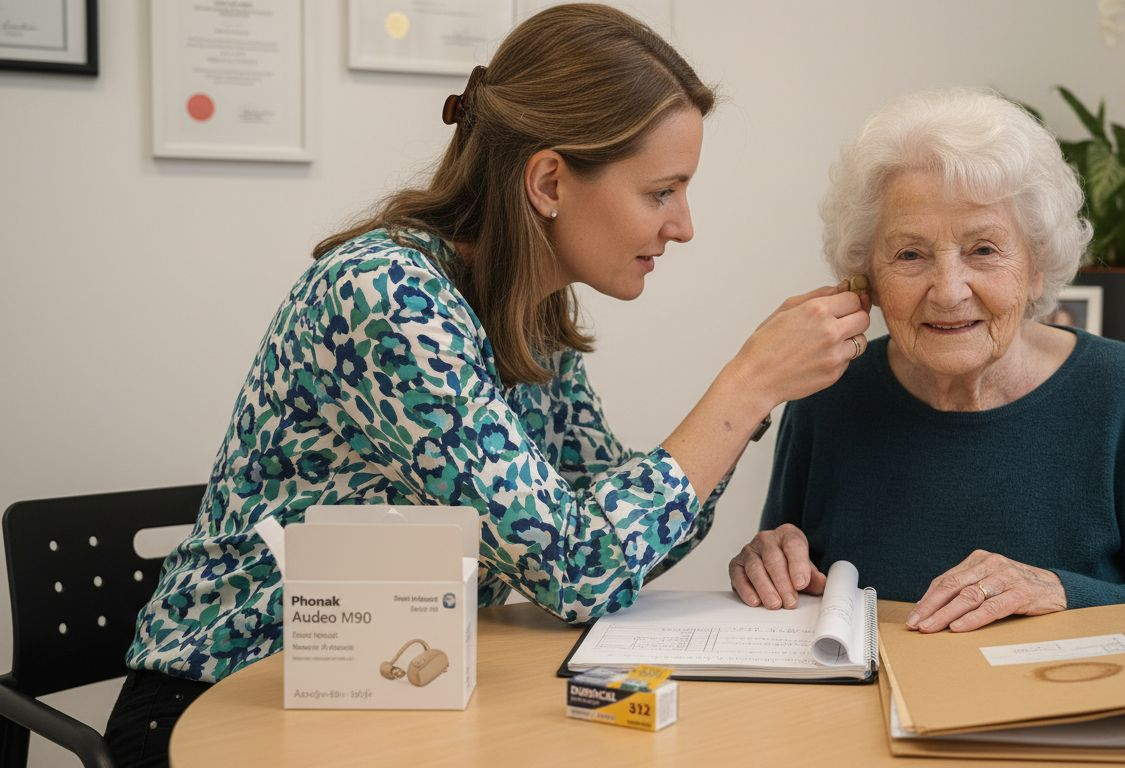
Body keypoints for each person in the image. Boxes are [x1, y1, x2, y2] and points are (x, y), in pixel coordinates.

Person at [106, 5, 870, 765]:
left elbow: (615, 542)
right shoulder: (388, 297)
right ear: (548, 181)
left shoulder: (528, 307)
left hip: (390, 695)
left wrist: (754, 396)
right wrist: (746, 386)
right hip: (226, 707)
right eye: (662, 192)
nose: (684, 226)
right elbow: (578, 568)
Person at [728, 88, 1125, 664]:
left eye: (983, 249)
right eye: (910, 255)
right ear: (868, 278)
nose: (949, 290)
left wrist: (1062, 593)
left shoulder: (1121, 393)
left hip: (1063, 726)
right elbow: (794, 585)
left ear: (1037, 268)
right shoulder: (830, 390)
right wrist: (768, 566)